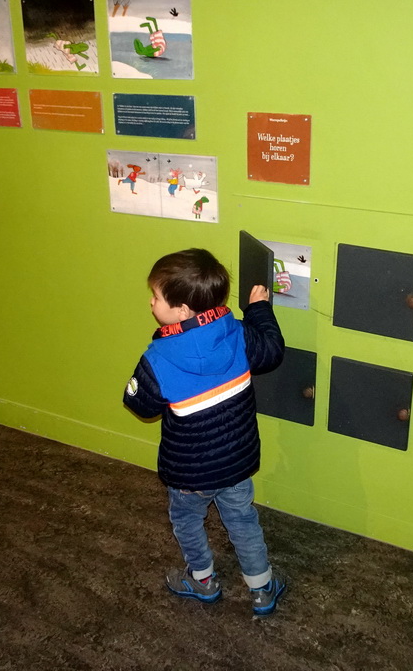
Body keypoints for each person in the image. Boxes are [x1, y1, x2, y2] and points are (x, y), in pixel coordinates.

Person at [122, 248, 287, 615]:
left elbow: (139, 404)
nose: (151, 302)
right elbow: (272, 351)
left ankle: (203, 580)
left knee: (187, 520)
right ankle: (261, 588)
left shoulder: (158, 358)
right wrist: (258, 308)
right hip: (236, 463)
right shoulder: (239, 334)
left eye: (157, 297)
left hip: (188, 472)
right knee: (243, 519)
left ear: (182, 310)